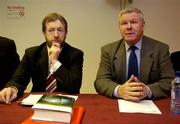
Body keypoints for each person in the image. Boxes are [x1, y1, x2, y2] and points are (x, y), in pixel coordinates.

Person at [0, 13, 83, 104]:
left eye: (60, 30)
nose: (56, 35)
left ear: (66, 33)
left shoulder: (75, 54)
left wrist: (54, 62)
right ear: (44, 33)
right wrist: (12, 88)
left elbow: (74, 86)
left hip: (66, 102)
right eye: (51, 30)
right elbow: (18, 80)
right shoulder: (32, 53)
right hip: (37, 102)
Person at [94, 8, 174, 101]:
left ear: (143, 25)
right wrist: (119, 90)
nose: (128, 27)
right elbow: (100, 81)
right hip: (119, 104)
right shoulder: (108, 50)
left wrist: (148, 90)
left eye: (133, 22)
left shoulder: (160, 49)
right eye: (124, 23)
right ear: (119, 27)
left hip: (149, 104)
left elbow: (170, 81)